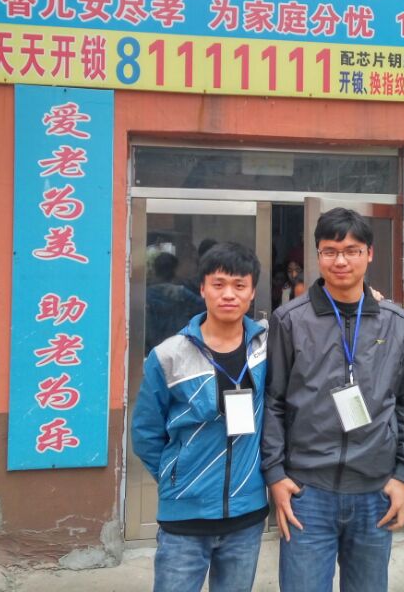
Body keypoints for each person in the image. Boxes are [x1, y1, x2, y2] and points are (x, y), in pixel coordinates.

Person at [262, 208, 404, 592]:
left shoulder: (395, 323)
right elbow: (273, 401)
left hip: (375, 491)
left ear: (369, 254)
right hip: (307, 492)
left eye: (352, 251)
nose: (340, 261)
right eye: (330, 251)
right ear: (318, 255)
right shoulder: (290, 320)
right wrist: (275, 475)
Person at [132, 242, 269, 592]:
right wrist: (177, 478)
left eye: (239, 285)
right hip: (185, 518)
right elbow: (146, 433)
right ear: (202, 288)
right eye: (218, 284)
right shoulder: (168, 355)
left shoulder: (268, 347)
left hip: (247, 515)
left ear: (252, 292)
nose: (229, 294)